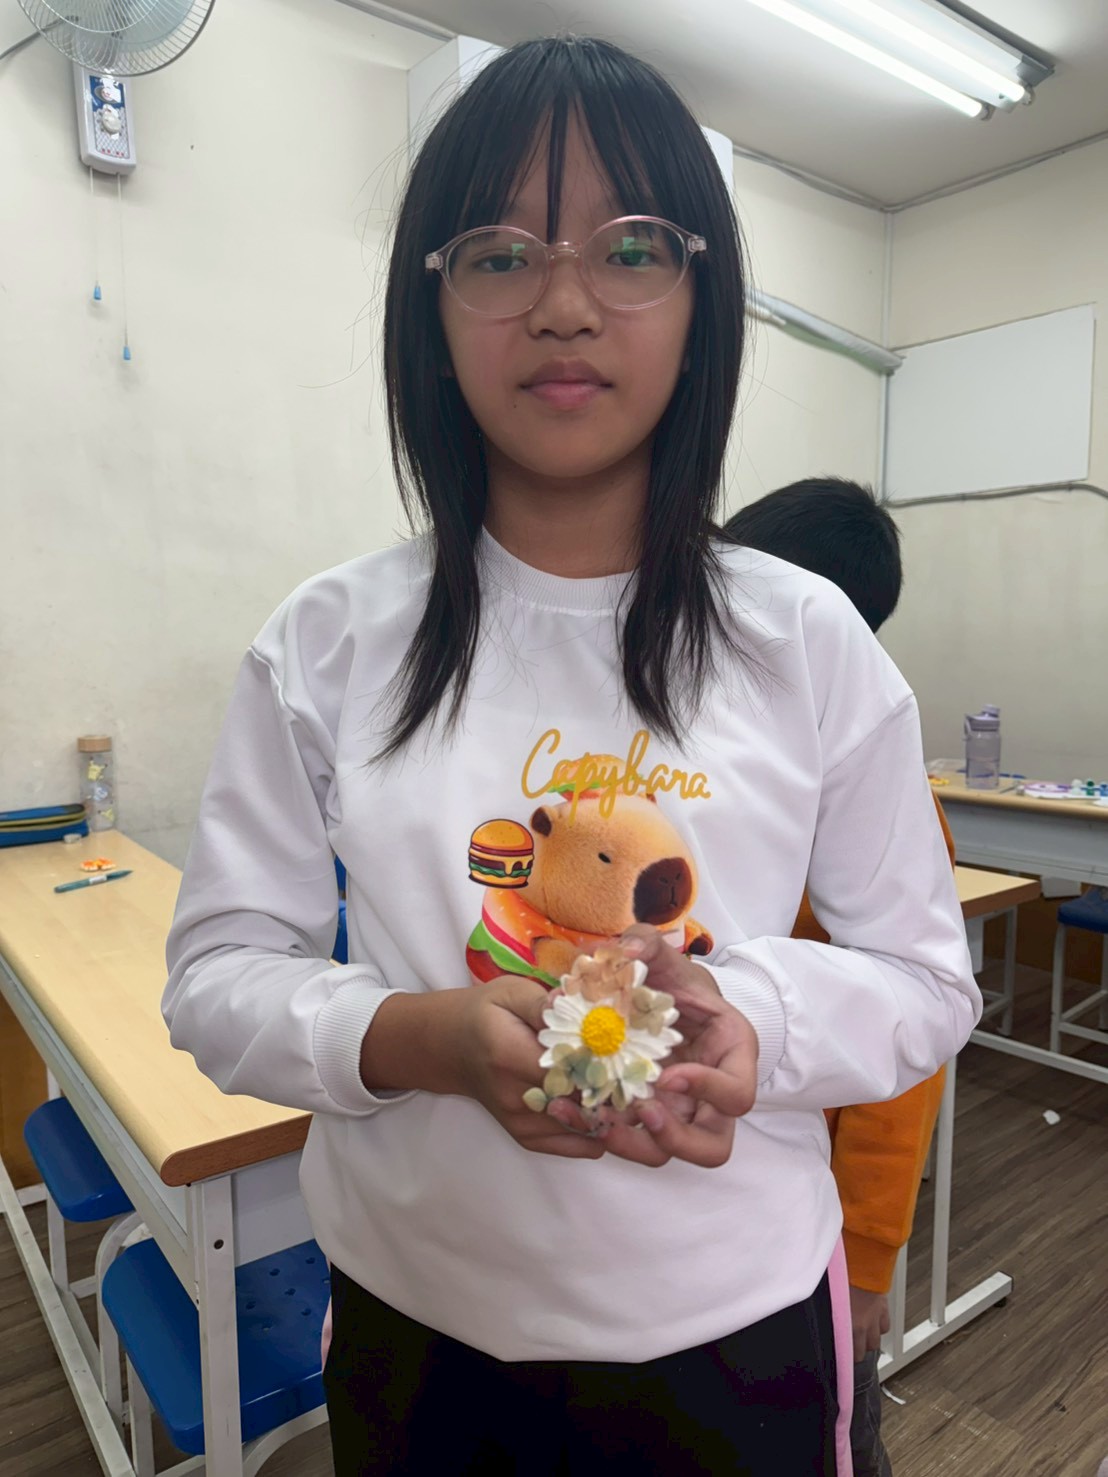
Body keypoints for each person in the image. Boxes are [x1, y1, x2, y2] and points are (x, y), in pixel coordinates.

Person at [163, 38, 980, 1477]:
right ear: (431, 309)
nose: (562, 302)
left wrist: (746, 1014)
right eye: (497, 254)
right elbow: (217, 978)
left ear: (702, 301)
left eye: (630, 247)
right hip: (420, 1332)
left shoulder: (807, 640)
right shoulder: (329, 641)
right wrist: (419, 1037)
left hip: (735, 1336)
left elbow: (926, 983)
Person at [725, 478, 953, 1477]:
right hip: (702, 1204)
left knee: (834, 1435)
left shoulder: (864, 780)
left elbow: (905, 1059)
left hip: (804, 1220)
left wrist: (865, 1256)